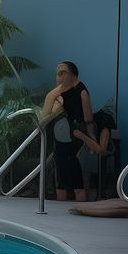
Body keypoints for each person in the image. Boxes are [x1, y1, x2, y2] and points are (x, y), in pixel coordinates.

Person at [40, 60, 94, 204]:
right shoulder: (59, 93)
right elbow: (45, 114)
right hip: (60, 139)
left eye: (63, 73)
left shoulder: (81, 91)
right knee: (61, 176)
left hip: (76, 138)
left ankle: (81, 206)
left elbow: (88, 118)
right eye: (57, 74)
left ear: (73, 75)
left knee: (76, 178)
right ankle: (61, 208)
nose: (59, 78)